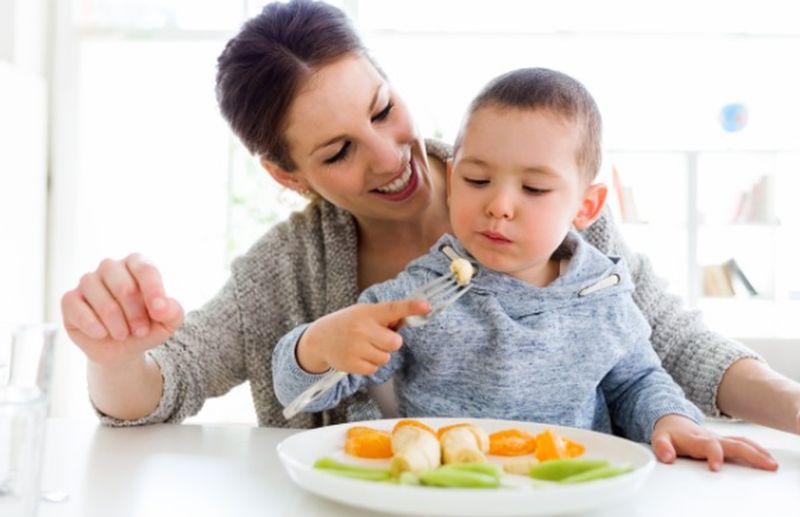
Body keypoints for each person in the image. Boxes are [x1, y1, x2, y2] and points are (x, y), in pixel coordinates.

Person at [60, 0, 796, 468]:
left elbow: (664, 348)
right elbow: (168, 383)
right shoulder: (290, 270)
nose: (389, 157)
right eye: (339, 151)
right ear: (287, 175)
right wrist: (114, 356)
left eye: (381, 109)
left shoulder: (549, 202)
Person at [272, 67, 770, 470]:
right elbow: (309, 391)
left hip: (570, 490)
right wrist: (314, 347)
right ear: (453, 176)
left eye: (533, 190)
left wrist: (669, 419)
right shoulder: (424, 291)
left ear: (586, 206)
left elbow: (636, 381)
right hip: (448, 490)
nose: (500, 206)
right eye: (477, 179)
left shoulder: (602, 291)